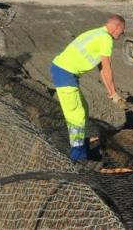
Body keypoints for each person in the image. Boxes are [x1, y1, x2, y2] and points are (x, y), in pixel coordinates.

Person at [50, 14, 127, 161]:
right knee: (76, 115)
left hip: (63, 71)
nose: (121, 34)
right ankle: (78, 156)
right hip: (65, 73)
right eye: (122, 31)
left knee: (83, 108)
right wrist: (114, 94)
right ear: (116, 27)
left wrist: (111, 93)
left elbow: (100, 68)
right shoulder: (105, 39)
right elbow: (106, 68)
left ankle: (83, 145)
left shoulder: (97, 33)